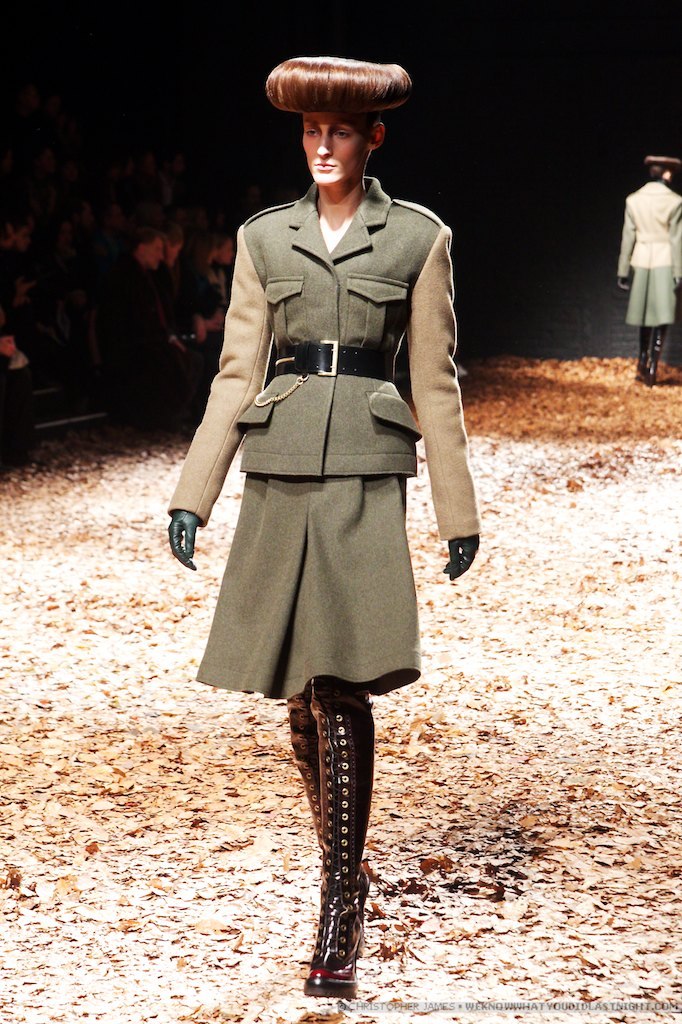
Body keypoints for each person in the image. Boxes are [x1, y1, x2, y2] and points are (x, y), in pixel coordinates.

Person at [167, 56, 481, 999]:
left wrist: (457, 510)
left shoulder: (418, 237)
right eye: (310, 130)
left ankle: (340, 898)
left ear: (372, 137)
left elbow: (434, 380)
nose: (322, 145)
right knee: (301, 695)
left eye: (340, 131)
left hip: (365, 470)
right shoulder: (265, 237)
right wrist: (193, 493)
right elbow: (236, 371)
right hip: (279, 461)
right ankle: (342, 862)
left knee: (341, 681)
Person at [617, 154, 682, 386]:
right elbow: (676, 239)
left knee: (645, 314)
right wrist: (679, 271)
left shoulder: (634, 200)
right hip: (665, 259)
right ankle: (653, 365)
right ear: (667, 173)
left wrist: (622, 269)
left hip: (642, 258)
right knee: (662, 315)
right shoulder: (675, 201)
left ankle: (642, 360)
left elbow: (628, 236)